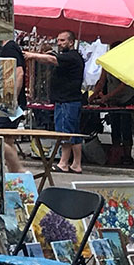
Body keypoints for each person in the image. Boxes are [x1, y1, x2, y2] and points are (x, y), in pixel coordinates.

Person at [24, 30, 85, 173]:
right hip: (70, 100)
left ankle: (63, 163)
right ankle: (76, 164)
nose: (59, 43)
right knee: (74, 133)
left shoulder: (71, 57)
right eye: (58, 40)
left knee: (64, 133)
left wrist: (31, 55)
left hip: (66, 101)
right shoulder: (71, 57)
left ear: (71, 42)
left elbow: (51, 60)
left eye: (62, 40)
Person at [91, 41, 134, 165]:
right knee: (115, 126)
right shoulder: (107, 64)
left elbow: (124, 85)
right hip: (113, 100)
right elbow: (101, 82)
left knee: (126, 126)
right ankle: (117, 152)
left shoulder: (125, 64)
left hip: (126, 98)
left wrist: (107, 97)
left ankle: (127, 155)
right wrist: (93, 96)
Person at [0, 37, 28, 172]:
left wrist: (13, 98)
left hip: (8, 102)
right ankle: (15, 172)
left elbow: (19, 73)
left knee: (0, 137)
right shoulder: (5, 47)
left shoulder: (10, 47)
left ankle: (18, 170)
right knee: (6, 139)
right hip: (5, 100)